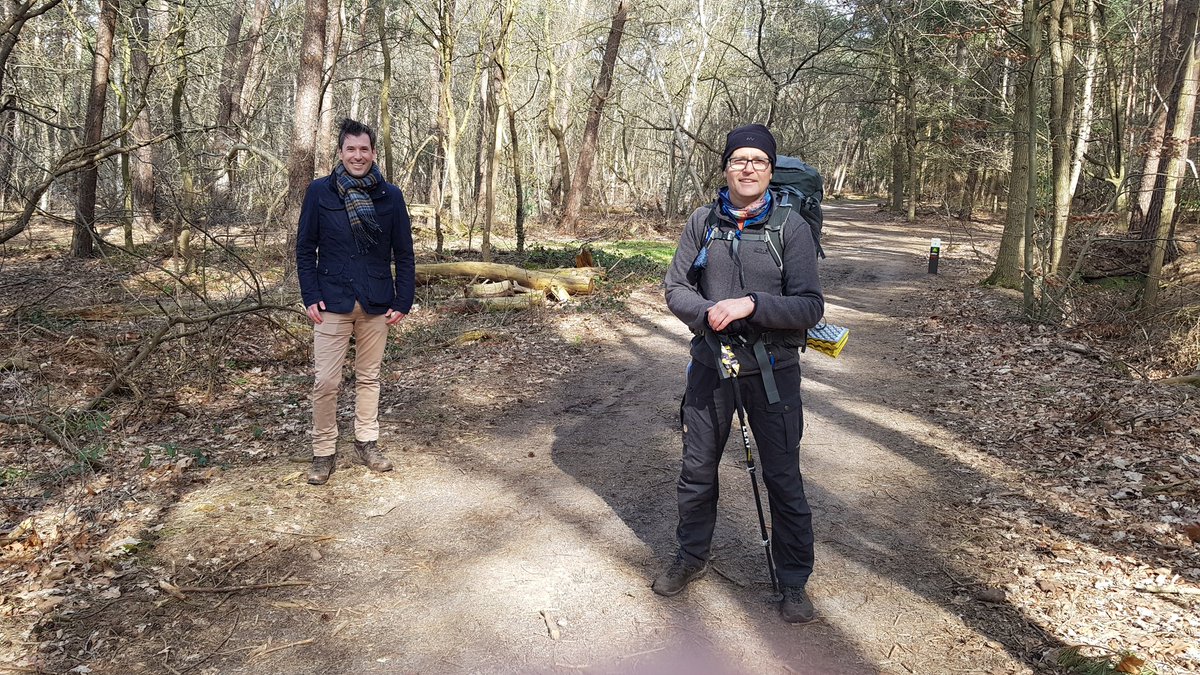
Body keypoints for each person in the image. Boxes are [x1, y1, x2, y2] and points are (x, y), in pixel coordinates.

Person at [657, 124, 825, 623]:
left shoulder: (790, 228)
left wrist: (751, 304)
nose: (747, 168)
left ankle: (793, 581)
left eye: (758, 161)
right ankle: (691, 557)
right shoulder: (703, 221)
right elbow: (674, 287)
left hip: (773, 369)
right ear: (726, 167)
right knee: (696, 470)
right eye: (739, 160)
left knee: (782, 476)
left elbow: (810, 306)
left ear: (770, 172)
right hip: (711, 364)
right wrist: (707, 312)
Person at [295, 118, 415, 486]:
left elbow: (404, 254)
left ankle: (366, 442)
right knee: (326, 381)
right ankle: (323, 451)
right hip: (331, 301)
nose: (357, 156)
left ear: (373, 153)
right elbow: (304, 249)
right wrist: (311, 295)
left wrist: (403, 299)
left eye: (364, 149)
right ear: (341, 152)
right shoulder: (320, 192)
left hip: (376, 301)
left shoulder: (390, 196)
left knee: (369, 378)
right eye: (351, 149)